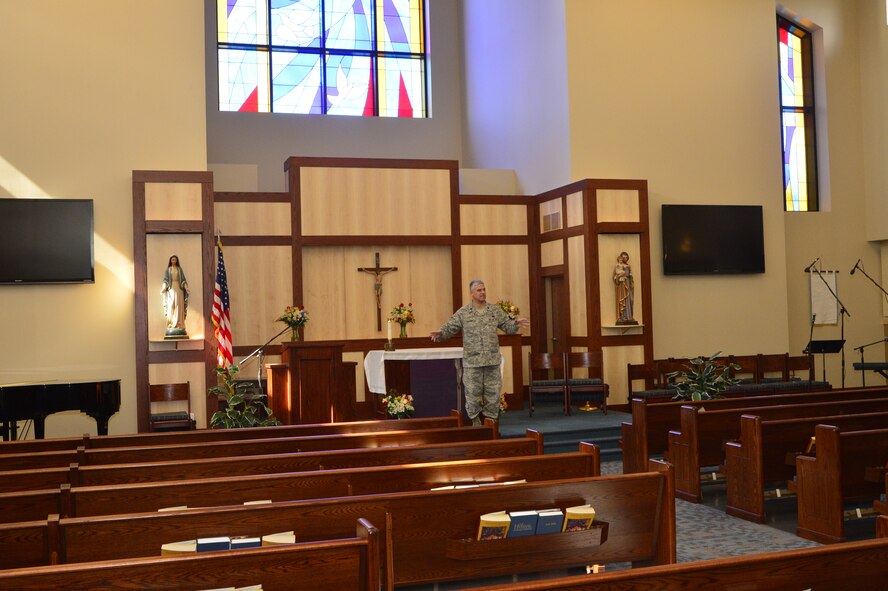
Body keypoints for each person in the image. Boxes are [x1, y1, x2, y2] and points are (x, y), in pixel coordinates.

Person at [430, 280, 530, 425]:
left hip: (492, 362)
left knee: (493, 396)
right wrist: (440, 334)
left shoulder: (494, 310)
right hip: (473, 363)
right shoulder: (464, 312)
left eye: (484, 289)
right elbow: (449, 328)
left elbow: (508, 327)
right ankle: (476, 425)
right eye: (479, 290)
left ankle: (491, 425)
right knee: (472, 396)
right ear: (472, 294)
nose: (483, 292)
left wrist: (515, 324)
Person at [160, 254, 190, 337]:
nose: (174, 261)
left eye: (175, 260)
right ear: (170, 261)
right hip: (171, 288)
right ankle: (171, 324)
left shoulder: (179, 270)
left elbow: (183, 281)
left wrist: (186, 288)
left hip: (179, 289)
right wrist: (163, 288)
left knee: (178, 306)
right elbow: (166, 280)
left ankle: (179, 324)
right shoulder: (168, 270)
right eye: (172, 260)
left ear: (177, 261)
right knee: (171, 305)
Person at [613, 251, 637, 325]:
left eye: (626, 257)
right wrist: (619, 278)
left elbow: (630, 275)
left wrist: (631, 282)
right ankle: (623, 317)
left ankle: (630, 316)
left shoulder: (628, 266)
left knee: (630, 300)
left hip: (628, 284)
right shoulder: (619, 266)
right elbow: (615, 276)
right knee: (624, 299)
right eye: (623, 257)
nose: (625, 258)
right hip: (623, 284)